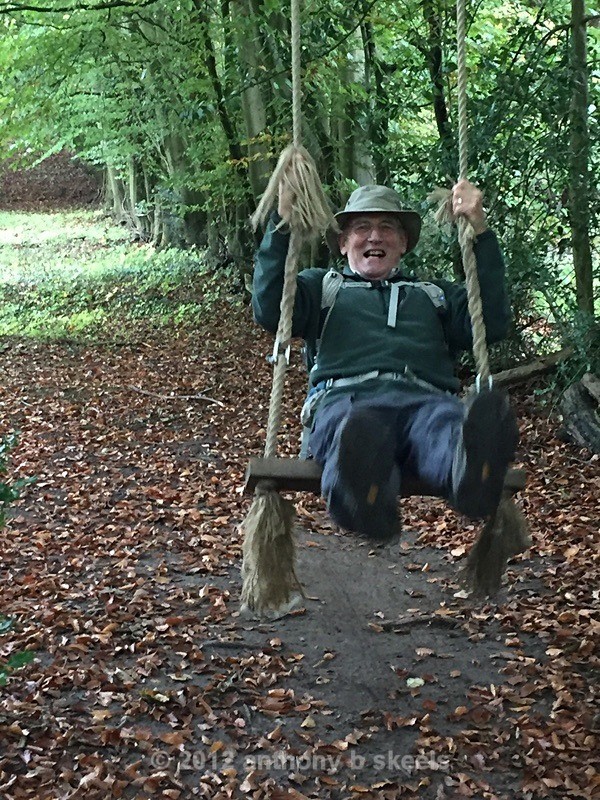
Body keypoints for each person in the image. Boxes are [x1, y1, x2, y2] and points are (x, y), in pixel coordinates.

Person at [252, 180, 519, 541]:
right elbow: (270, 308)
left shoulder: (434, 296)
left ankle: (472, 472)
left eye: (387, 228)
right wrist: (282, 222)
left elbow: (491, 323)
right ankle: (361, 495)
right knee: (354, 431)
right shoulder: (322, 289)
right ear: (344, 242)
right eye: (362, 227)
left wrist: (480, 230)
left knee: (446, 427)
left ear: (403, 243)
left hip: (425, 401)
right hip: (348, 400)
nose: (374, 237)